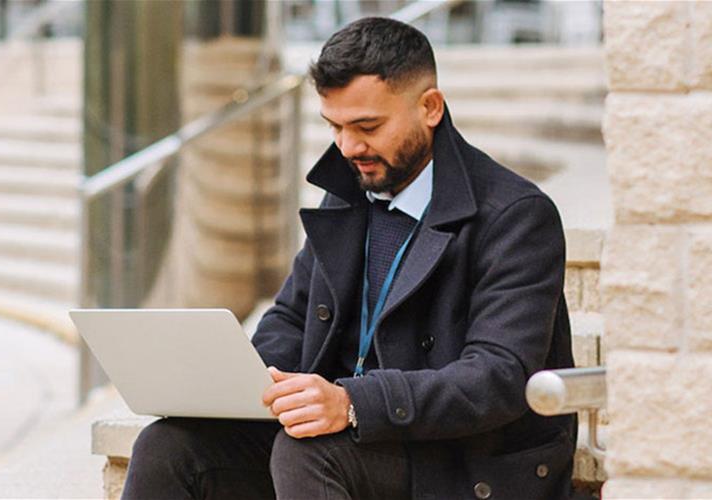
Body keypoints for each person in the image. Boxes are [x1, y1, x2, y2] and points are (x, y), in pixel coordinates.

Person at [123, 16, 575, 500]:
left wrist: (352, 403)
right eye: (334, 126)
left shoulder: (515, 216)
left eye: (367, 126)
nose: (348, 146)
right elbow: (291, 319)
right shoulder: (348, 192)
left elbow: (498, 377)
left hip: (467, 462)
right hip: (355, 443)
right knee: (169, 446)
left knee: (308, 452)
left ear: (430, 107)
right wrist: (251, 381)